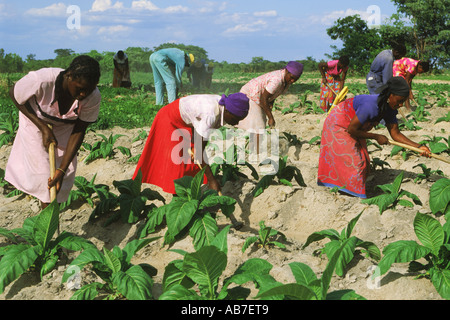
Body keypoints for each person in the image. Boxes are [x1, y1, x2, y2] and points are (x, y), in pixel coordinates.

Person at [5, 55, 101, 208]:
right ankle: (48, 223)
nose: (83, 94)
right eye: (80, 89)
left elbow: (79, 131)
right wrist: (42, 127)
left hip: (66, 125)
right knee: (45, 175)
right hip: (34, 118)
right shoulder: (42, 80)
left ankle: (51, 213)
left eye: (88, 91)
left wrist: (61, 170)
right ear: (68, 76)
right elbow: (14, 93)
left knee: (64, 174)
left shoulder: (93, 96)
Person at [317, 76, 431, 199]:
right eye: (399, 100)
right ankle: (347, 193)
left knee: (365, 161)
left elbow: (395, 134)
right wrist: (376, 136)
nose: (400, 104)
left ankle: (352, 189)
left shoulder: (390, 109)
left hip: (356, 127)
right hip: (339, 123)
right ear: (390, 95)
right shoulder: (371, 105)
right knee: (354, 162)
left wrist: (419, 147)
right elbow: (351, 129)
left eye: (403, 101)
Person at [133, 93, 250, 194]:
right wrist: (212, 180)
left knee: (192, 157)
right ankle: (179, 197)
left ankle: (189, 191)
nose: (237, 123)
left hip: (186, 123)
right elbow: (199, 151)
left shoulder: (222, 105)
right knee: (179, 162)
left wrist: (198, 150)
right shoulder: (211, 113)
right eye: (237, 118)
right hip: (170, 119)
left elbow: (200, 146)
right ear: (228, 111)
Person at [236, 61, 303, 160]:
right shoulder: (277, 80)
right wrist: (270, 117)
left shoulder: (286, 81)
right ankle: (254, 153)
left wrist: (271, 103)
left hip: (259, 97)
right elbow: (263, 98)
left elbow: (273, 94)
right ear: (287, 72)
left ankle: (252, 148)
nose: (293, 81)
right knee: (259, 125)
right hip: (250, 94)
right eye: (292, 77)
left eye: (295, 79)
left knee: (258, 124)